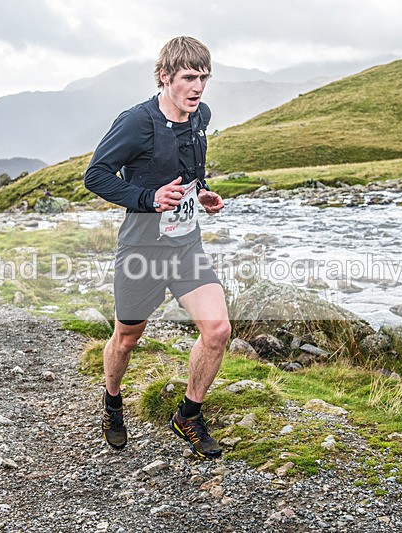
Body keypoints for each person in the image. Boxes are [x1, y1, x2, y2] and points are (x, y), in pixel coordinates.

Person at [84, 36, 230, 459]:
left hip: (185, 246)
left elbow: (188, 172)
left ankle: (188, 414)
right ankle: (113, 402)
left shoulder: (199, 114)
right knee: (127, 338)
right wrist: (149, 199)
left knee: (218, 330)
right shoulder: (136, 122)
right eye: (188, 77)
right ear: (164, 77)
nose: (198, 87)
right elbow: (96, 176)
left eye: (203, 77)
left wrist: (201, 194)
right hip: (141, 252)